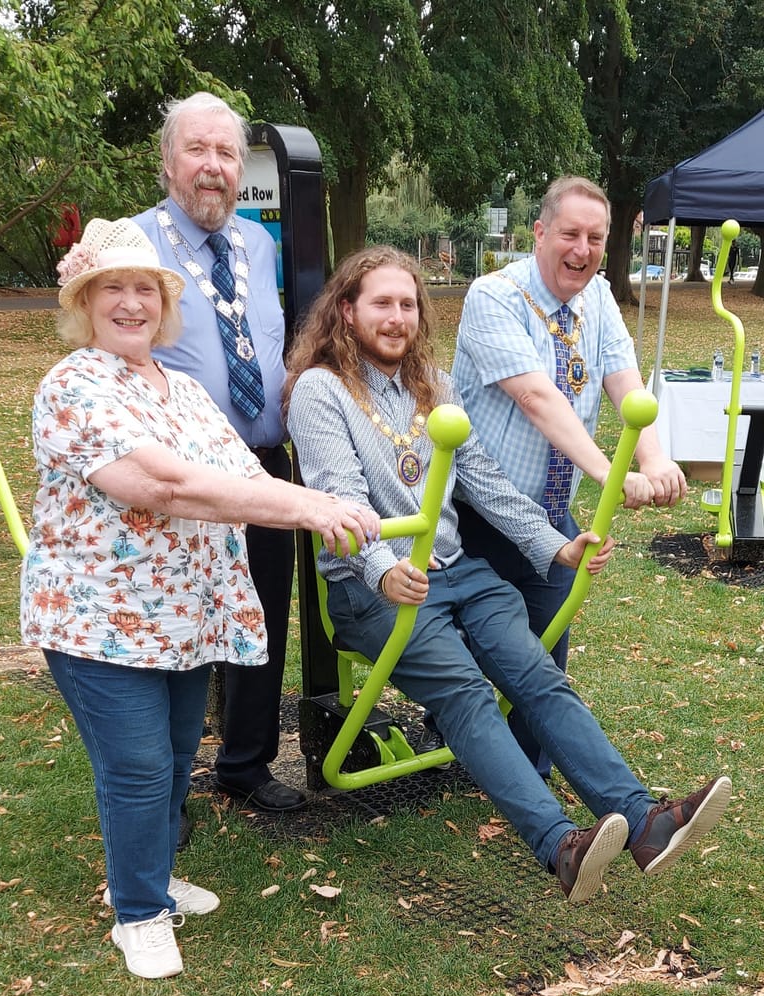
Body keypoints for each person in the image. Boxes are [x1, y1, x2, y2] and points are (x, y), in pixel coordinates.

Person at [284, 244, 731, 903]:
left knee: (537, 675)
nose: (397, 317)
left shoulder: (433, 385)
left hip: (459, 572)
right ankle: (560, 845)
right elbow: (339, 502)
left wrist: (556, 546)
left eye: (408, 304)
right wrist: (382, 571)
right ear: (347, 311)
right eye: (381, 303)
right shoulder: (321, 390)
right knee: (465, 692)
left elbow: (486, 483)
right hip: (371, 587)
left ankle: (643, 823)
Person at [19, 218, 379, 979]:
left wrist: (325, 502)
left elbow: (241, 476)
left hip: (183, 613)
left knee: (179, 756)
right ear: (83, 303)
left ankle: (148, 875)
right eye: (112, 289)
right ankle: (138, 912)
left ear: (164, 304)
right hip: (97, 619)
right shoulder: (73, 385)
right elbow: (167, 486)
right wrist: (311, 508)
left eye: (145, 289)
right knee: (139, 767)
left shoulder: (180, 388)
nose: (131, 303)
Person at [449, 176, 688, 777]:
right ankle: (459, 731)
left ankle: (529, 771)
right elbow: (536, 398)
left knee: (545, 648)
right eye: (570, 234)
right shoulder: (493, 295)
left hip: (552, 514)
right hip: (481, 512)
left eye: (595, 238)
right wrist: (612, 475)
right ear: (539, 232)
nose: (582, 250)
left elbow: (625, 381)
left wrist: (654, 458)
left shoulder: (597, 297)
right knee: (483, 648)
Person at [134, 92, 304, 827]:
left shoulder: (257, 244)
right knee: (175, 629)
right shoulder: (134, 243)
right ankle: (163, 792)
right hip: (183, 477)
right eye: (197, 150)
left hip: (262, 465)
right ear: (168, 160)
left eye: (226, 153)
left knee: (262, 616)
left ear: (242, 167)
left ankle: (244, 764)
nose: (213, 166)